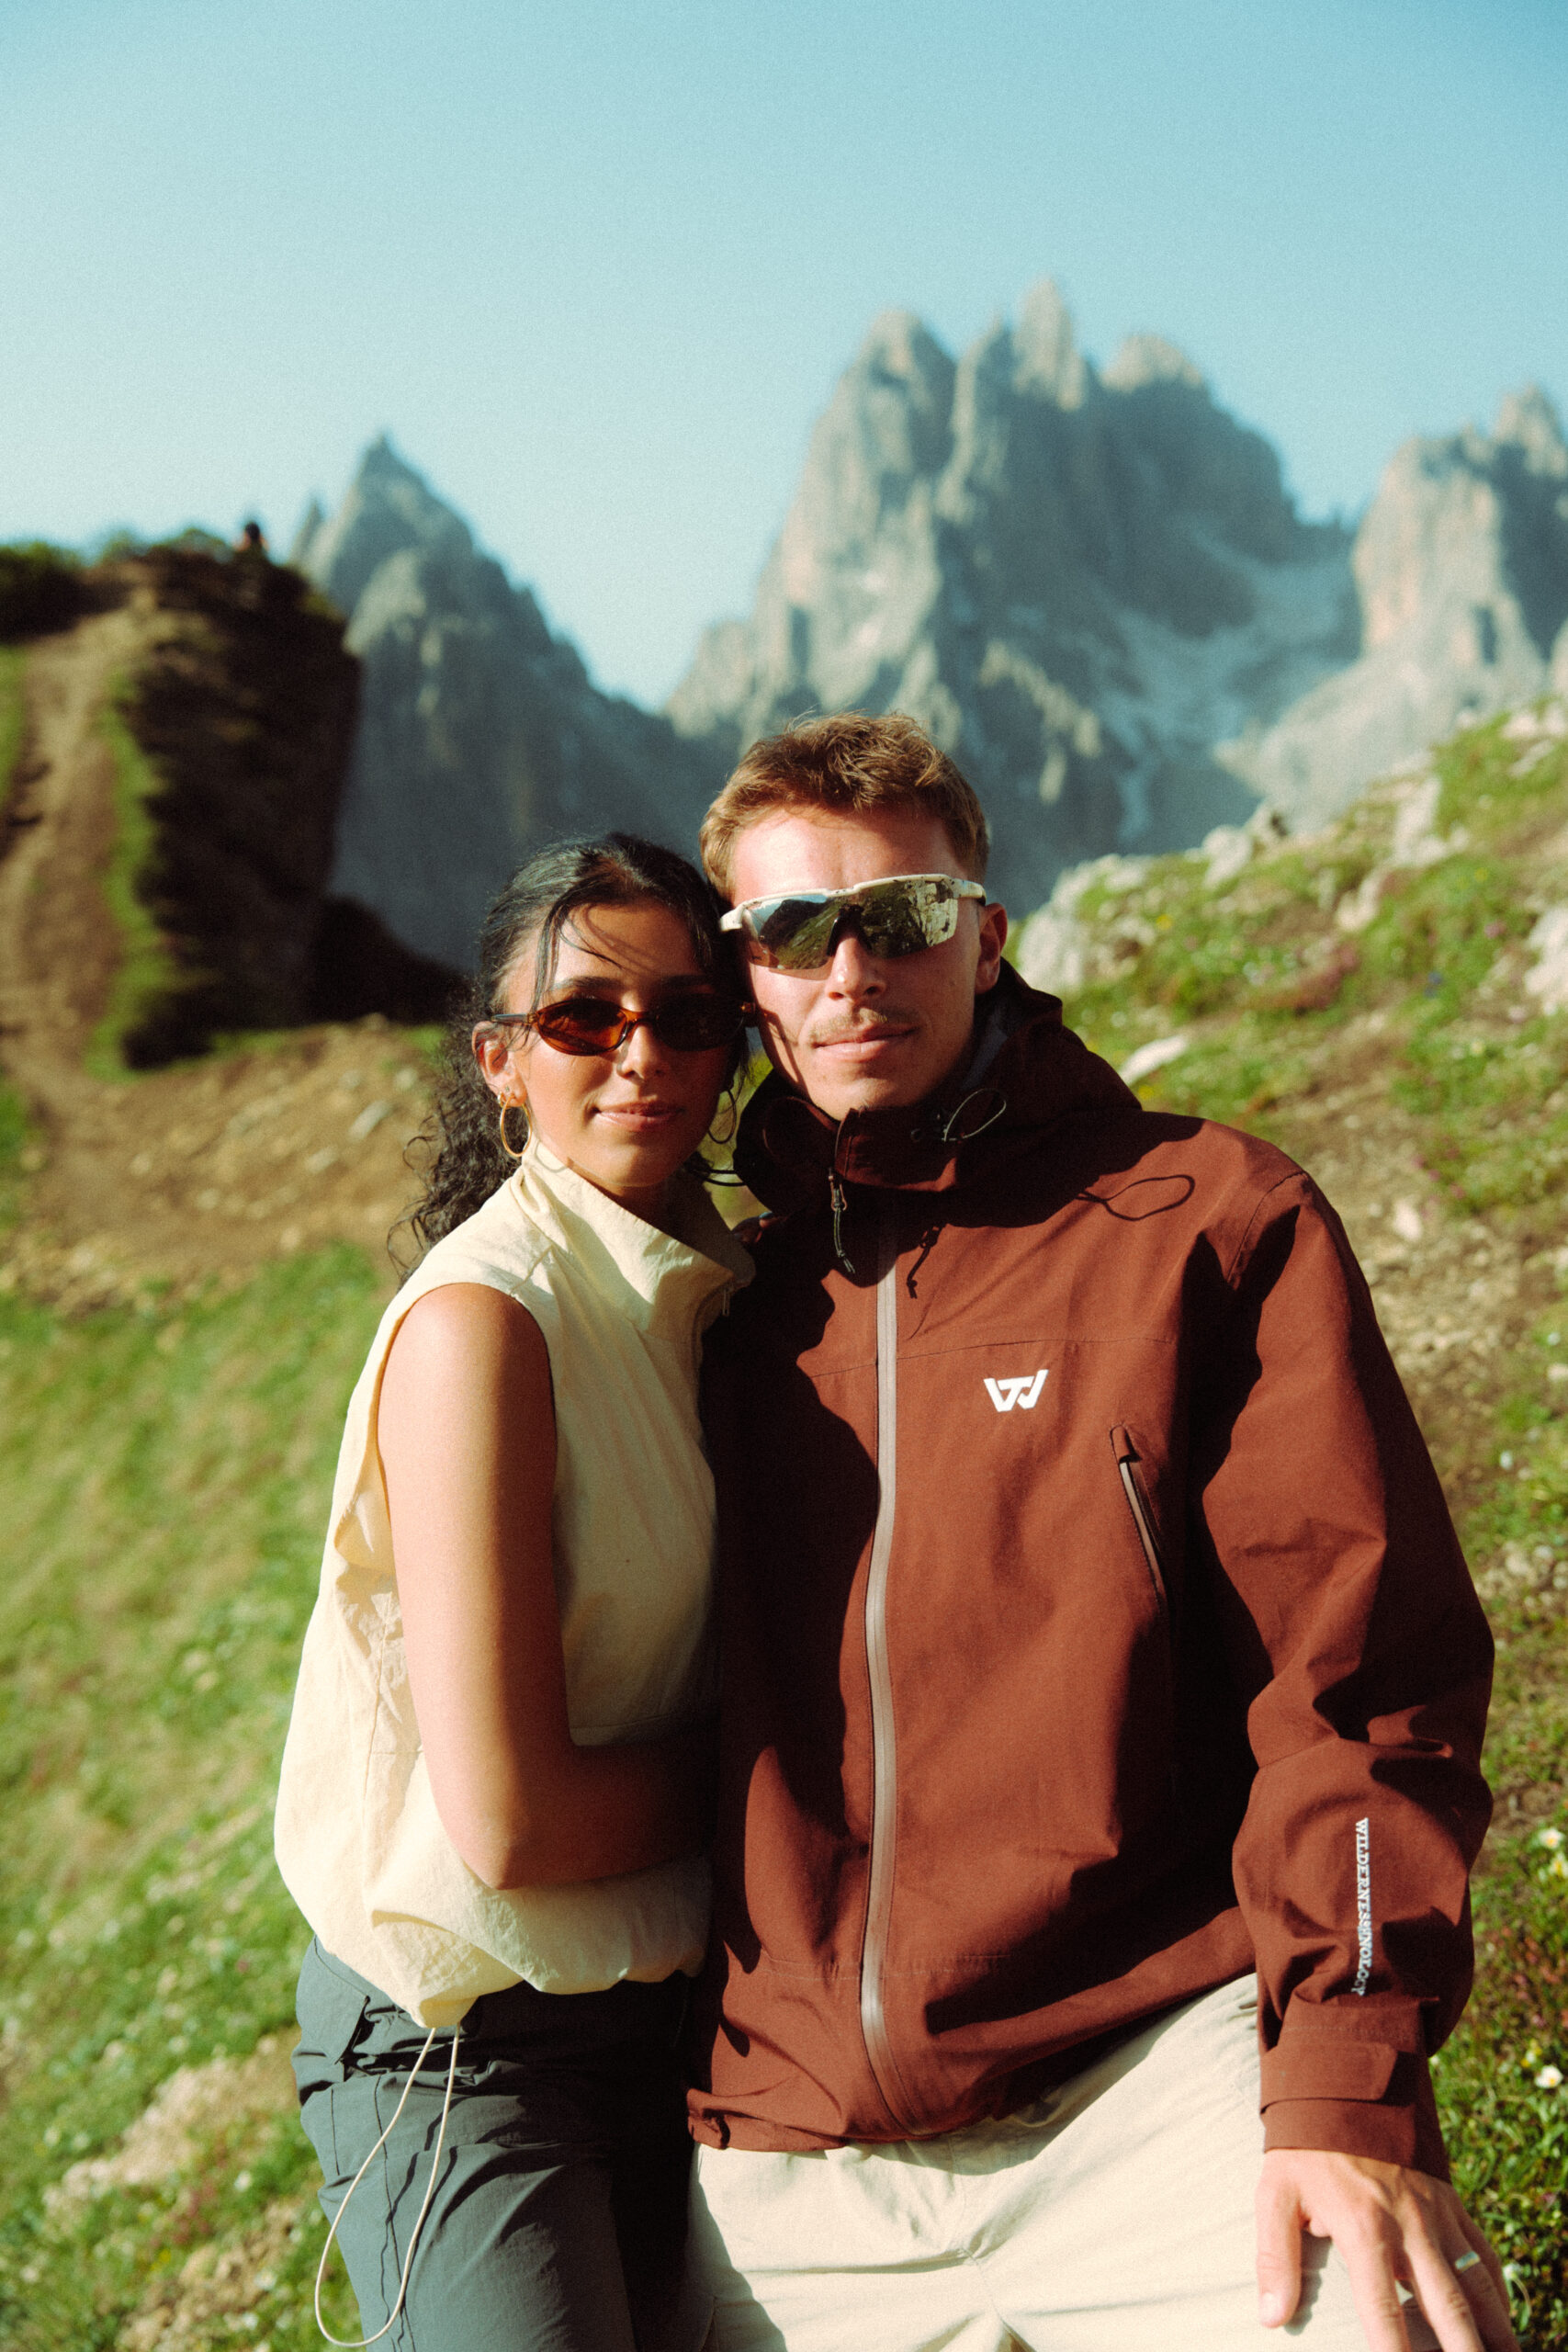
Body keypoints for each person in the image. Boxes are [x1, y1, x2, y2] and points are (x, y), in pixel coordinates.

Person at [683, 714, 1517, 2352]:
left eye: (902, 915)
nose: (851, 970)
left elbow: (1360, 1686)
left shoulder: (1210, 1221)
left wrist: (1344, 2081)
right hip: (788, 2157)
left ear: (987, 937)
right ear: (745, 974)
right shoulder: (700, 1301)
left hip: (1156, 2076)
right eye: (793, 929)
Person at [274, 833, 752, 2352]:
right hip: (469, 2045)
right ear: (502, 1061)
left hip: (686, 2005)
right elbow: (513, 1825)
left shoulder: (730, 1293)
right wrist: (821, 1765)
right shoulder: (487, 1324)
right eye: (583, 1017)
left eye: (686, 1015)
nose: (641, 1054)